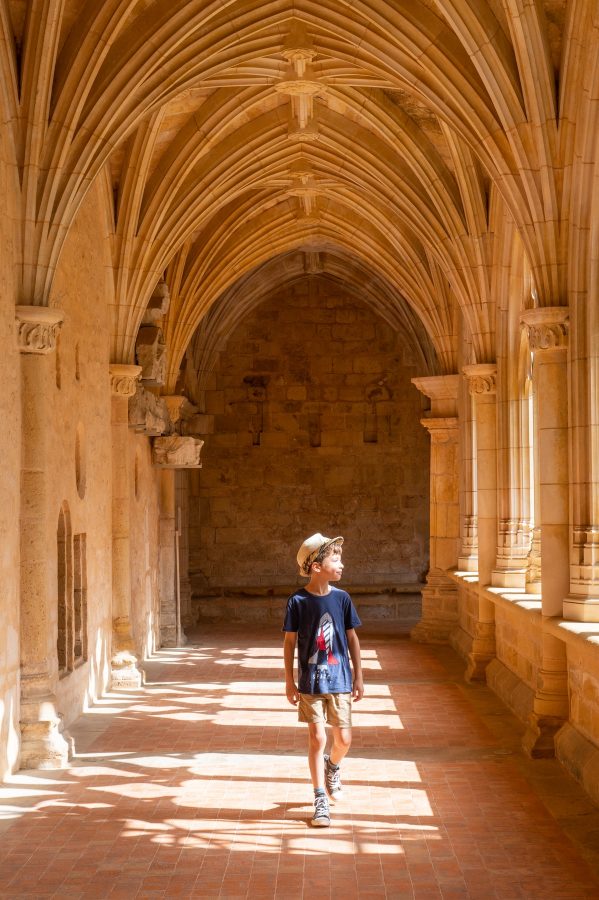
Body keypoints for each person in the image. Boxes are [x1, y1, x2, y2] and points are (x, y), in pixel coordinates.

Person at [282, 533, 364, 827]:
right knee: (317, 738)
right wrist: (289, 681)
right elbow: (290, 642)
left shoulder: (342, 599)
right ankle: (319, 799)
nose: (341, 564)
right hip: (311, 681)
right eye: (335, 559)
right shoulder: (298, 600)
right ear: (316, 566)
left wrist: (359, 675)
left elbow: (352, 638)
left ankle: (333, 766)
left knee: (343, 739)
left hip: (340, 679)